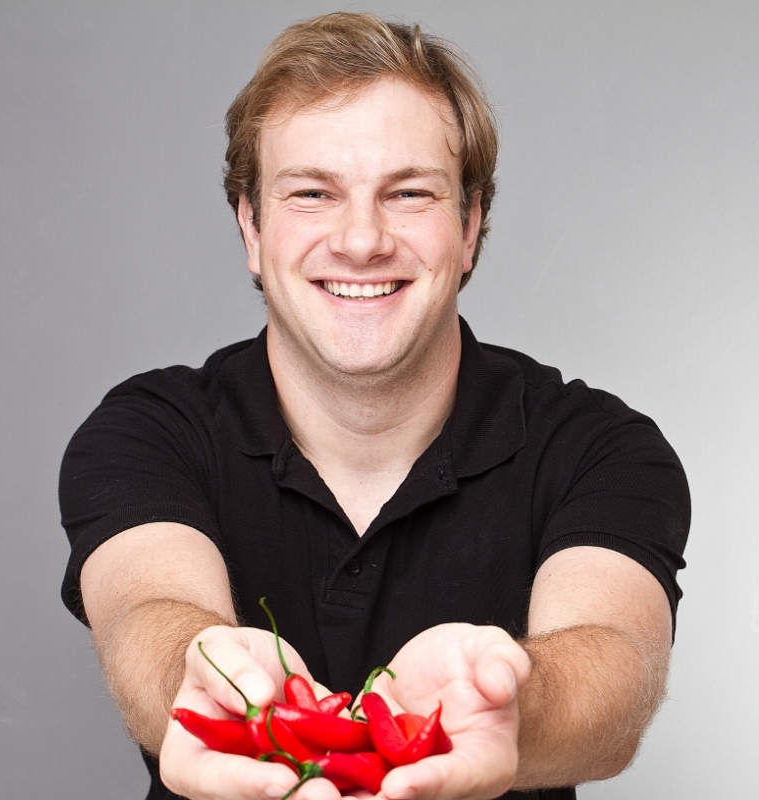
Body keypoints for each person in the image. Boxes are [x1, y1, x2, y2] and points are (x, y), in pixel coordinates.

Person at [59, 12, 689, 800]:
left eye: (409, 193)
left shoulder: (599, 447)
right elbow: (148, 612)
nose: (361, 241)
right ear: (251, 226)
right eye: (312, 193)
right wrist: (208, 680)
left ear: (470, 224)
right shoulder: (148, 431)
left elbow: (612, 663)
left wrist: (504, 700)